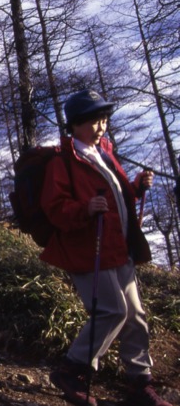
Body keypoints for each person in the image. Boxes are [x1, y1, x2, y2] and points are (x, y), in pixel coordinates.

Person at [41, 90, 166, 406]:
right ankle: (71, 370)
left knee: (135, 315)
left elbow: (118, 199)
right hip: (87, 251)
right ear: (76, 125)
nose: (101, 126)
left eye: (104, 119)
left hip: (118, 247)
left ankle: (141, 383)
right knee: (113, 311)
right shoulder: (63, 160)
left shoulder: (105, 154)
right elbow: (54, 208)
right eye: (94, 120)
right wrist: (85, 208)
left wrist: (136, 187)